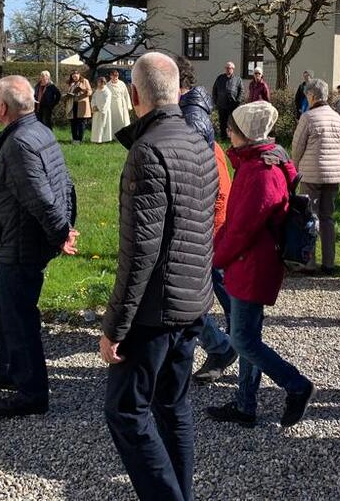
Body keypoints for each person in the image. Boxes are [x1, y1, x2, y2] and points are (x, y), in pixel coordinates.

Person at [101, 52, 218, 501]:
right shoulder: (199, 141)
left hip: (157, 309)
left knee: (126, 411)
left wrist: (115, 326)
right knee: (172, 405)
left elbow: (139, 252)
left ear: (135, 94)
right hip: (192, 299)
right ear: (177, 91)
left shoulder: (147, 151)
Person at [207, 100, 315, 428]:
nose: (227, 133)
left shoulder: (261, 171)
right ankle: (245, 405)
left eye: (231, 129)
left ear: (245, 133)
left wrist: (217, 257)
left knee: (242, 339)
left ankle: (296, 385)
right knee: (250, 335)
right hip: (254, 260)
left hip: (252, 263)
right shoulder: (260, 161)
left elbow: (243, 228)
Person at [0, 75, 78, 417]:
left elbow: (41, 196)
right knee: (2, 302)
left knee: (19, 316)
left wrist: (61, 232)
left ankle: (32, 392)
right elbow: (65, 184)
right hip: (19, 238)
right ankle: (7, 368)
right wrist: (64, 226)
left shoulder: (19, 143)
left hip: (22, 242)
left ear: (2, 109)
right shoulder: (38, 130)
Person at [174, 56, 237, 384]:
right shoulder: (187, 117)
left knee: (200, 291)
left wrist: (207, 232)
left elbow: (216, 189)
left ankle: (233, 344)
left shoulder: (191, 123)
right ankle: (228, 342)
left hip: (207, 228)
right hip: (203, 227)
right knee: (203, 289)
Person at [291, 78, 340, 274]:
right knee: (327, 217)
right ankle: (329, 262)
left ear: (312, 96)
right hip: (333, 173)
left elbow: (297, 147)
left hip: (312, 173)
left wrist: (294, 168)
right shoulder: (336, 116)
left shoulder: (308, 117)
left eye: (307, 95)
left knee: (310, 217)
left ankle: (309, 262)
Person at [212, 61, 243, 138]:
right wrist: (215, 101)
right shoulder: (220, 78)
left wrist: (238, 101)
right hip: (221, 104)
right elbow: (214, 89)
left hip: (232, 105)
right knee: (222, 122)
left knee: (232, 122)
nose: (227, 70)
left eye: (229, 68)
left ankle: (232, 137)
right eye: (226, 68)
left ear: (233, 69)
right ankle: (223, 137)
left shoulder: (237, 79)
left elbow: (241, 91)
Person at [64, 70, 93, 144]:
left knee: (81, 122)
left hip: (81, 105)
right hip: (72, 104)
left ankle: (80, 139)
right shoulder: (71, 83)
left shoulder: (85, 81)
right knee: (73, 122)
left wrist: (83, 90)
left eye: (76, 76)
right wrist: (67, 95)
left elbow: (90, 92)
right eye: (73, 76)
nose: (75, 77)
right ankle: (75, 139)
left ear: (79, 75)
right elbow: (68, 92)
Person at [105, 69, 133, 134]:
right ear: (110, 76)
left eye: (117, 76)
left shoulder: (122, 84)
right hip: (111, 105)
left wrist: (128, 105)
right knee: (113, 120)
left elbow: (126, 94)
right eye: (114, 76)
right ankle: (113, 135)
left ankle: (123, 134)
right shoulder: (107, 85)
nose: (115, 77)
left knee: (122, 120)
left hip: (121, 104)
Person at [90, 76, 113, 144]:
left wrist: (100, 108)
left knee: (103, 125)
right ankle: (96, 139)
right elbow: (93, 99)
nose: (99, 84)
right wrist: (93, 106)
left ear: (104, 83)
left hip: (103, 111)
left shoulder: (107, 91)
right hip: (96, 111)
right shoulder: (97, 91)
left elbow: (106, 102)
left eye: (101, 83)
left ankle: (103, 139)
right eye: (99, 82)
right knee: (96, 125)